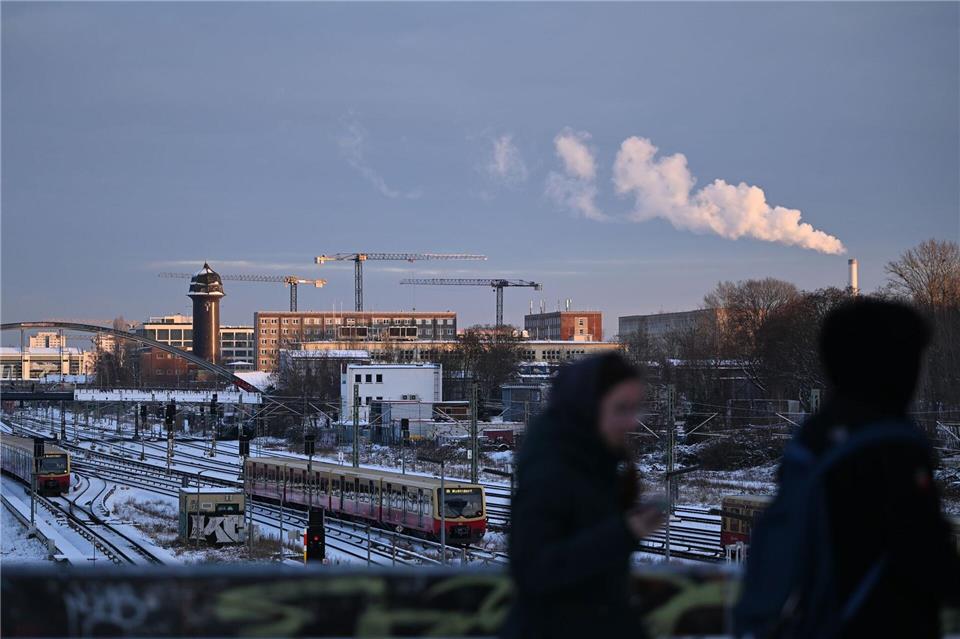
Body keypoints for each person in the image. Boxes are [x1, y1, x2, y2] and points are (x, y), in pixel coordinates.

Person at [735, 299, 960, 638]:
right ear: (895, 365)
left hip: (827, 621)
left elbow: (780, 545)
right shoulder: (898, 443)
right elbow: (926, 549)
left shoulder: (816, 438)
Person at [501, 353, 664, 639]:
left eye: (634, 409)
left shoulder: (595, 463)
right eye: (621, 409)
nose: (631, 422)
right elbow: (534, 570)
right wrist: (625, 531)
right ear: (588, 407)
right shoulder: (550, 469)